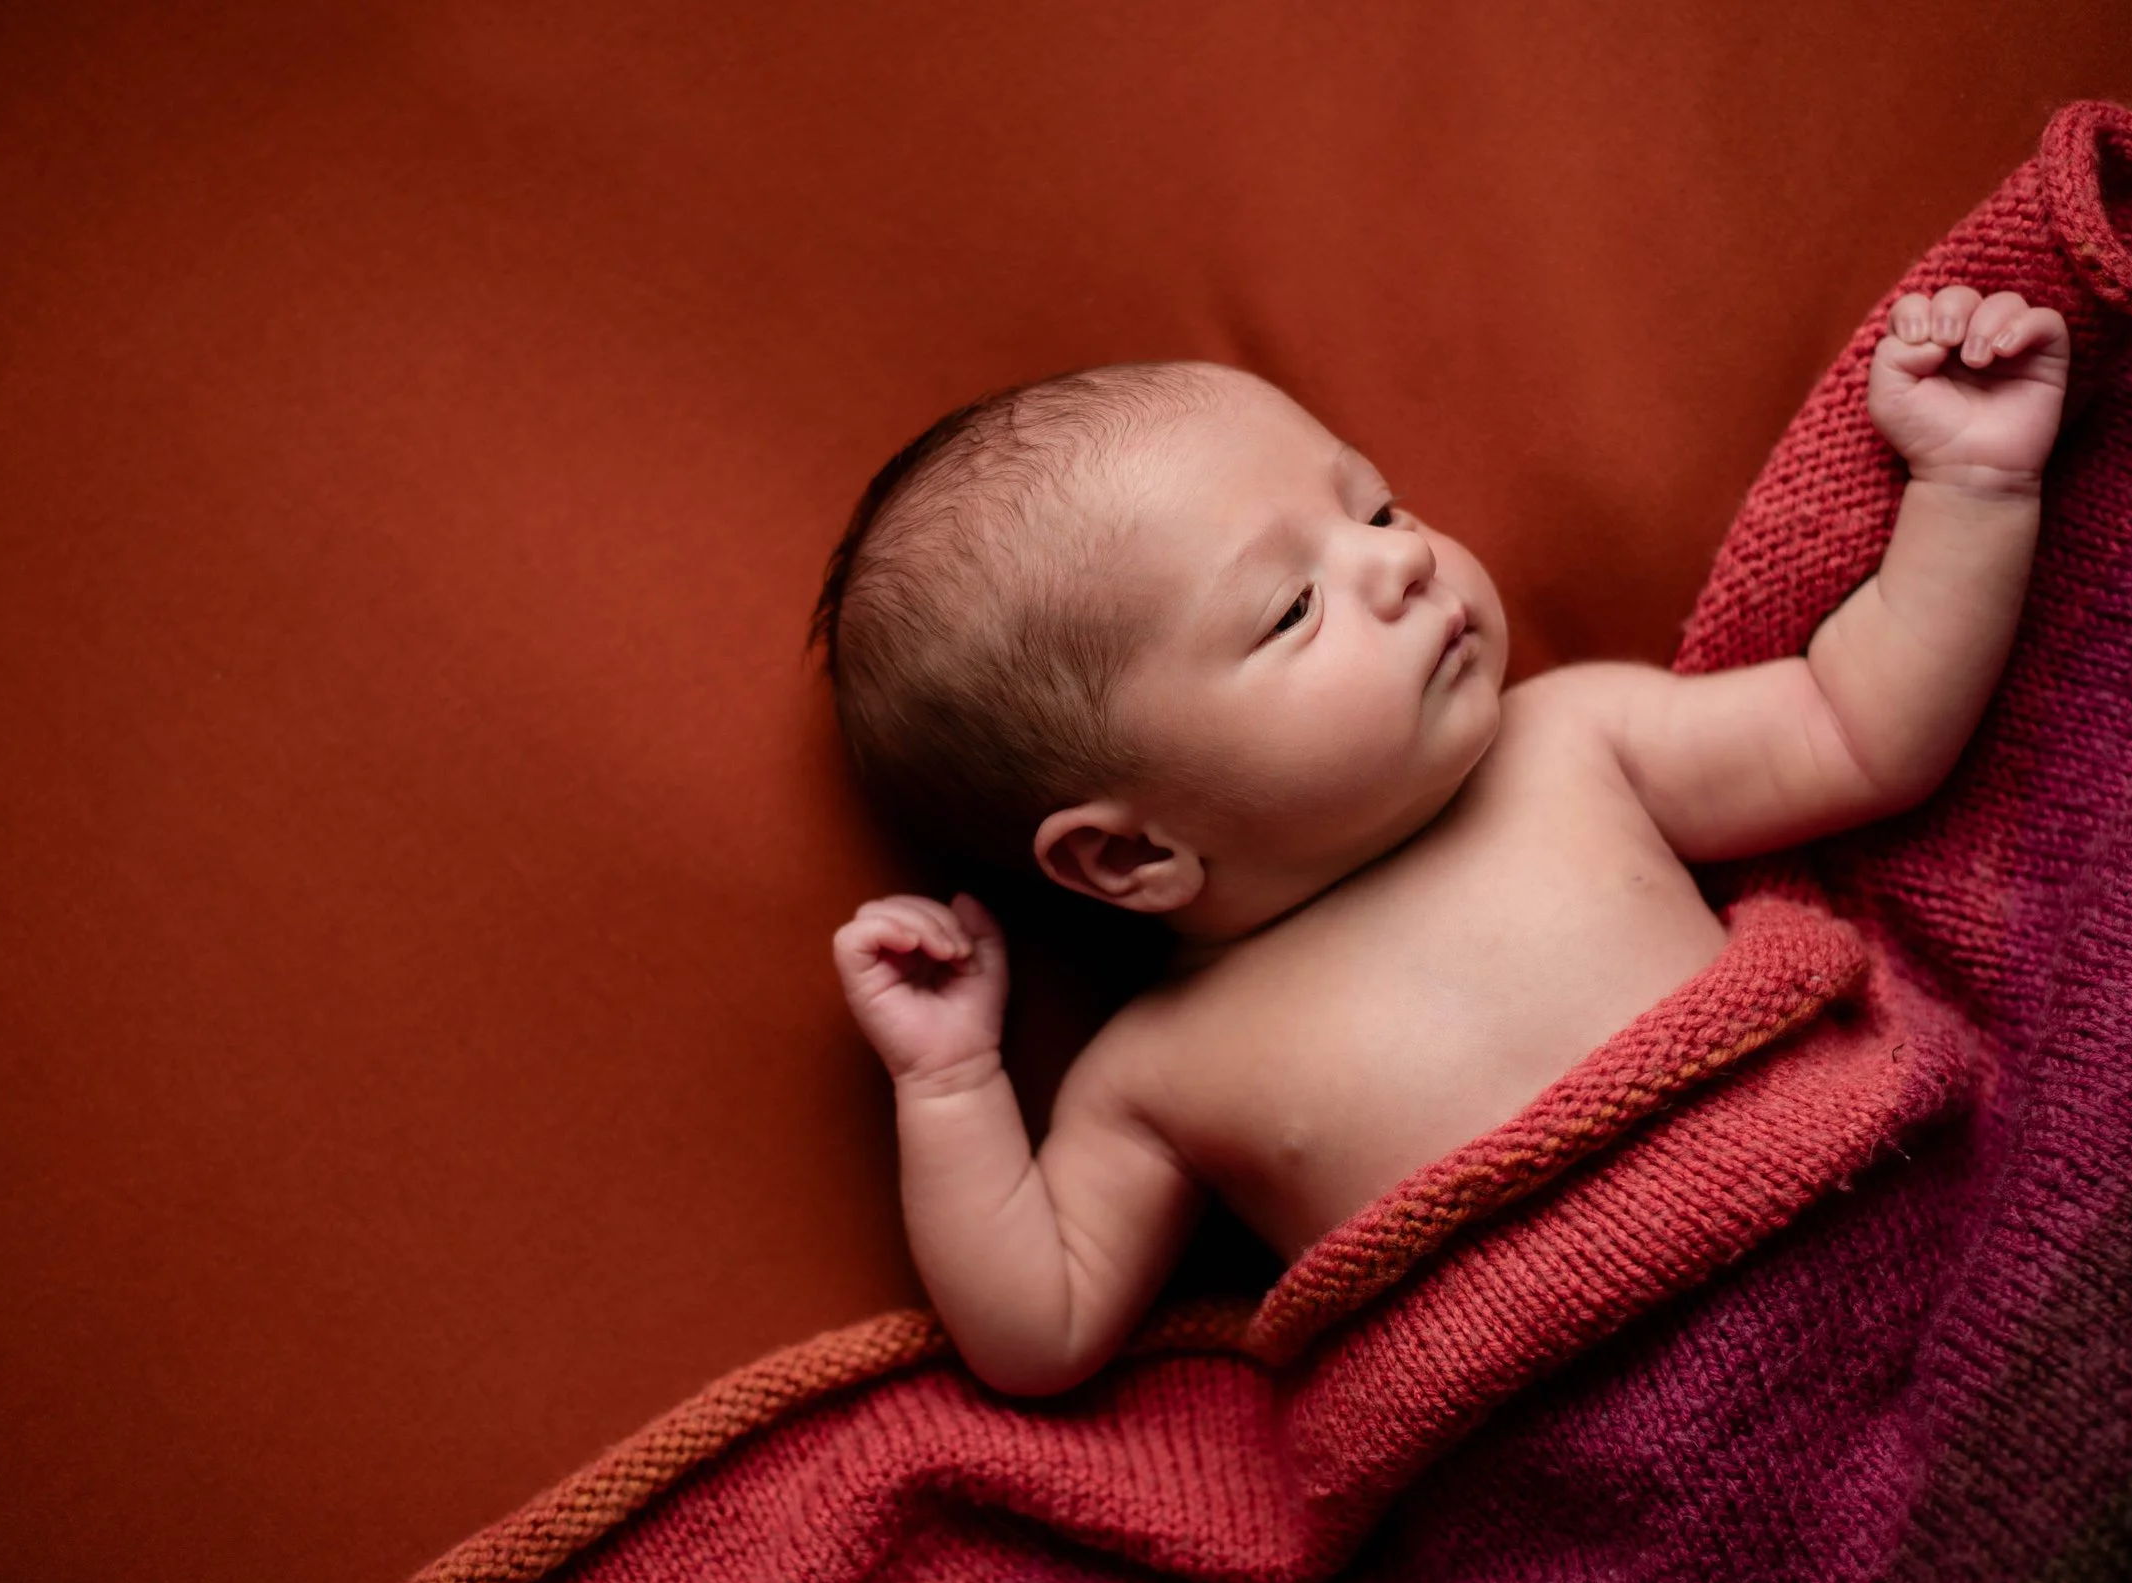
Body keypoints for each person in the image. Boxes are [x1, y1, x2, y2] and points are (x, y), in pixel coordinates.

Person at [816, 287, 2067, 1396]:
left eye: (1375, 505)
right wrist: (951, 1084)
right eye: (1293, 605)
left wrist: (1971, 488)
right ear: (1129, 859)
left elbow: (1862, 729)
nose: (1403, 560)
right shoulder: (1155, 1071)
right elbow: (1042, 1331)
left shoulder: (1572, 740)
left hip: (1878, 1263)